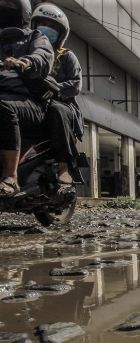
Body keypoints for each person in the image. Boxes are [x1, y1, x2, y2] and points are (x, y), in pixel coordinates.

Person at [0, 0, 54, 197]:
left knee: (3, 108)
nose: (4, 12)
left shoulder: (35, 37)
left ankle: (10, 177)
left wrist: (24, 62)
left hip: (31, 102)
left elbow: (43, 57)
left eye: (9, 8)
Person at [31, 2, 82, 185]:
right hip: (31, 102)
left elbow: (75, 85)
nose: (47, 30)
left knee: (56, 110)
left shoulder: (66, 56)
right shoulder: (26, 52)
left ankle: (63, 166)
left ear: (61, 34)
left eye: (52, 27)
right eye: (43, 24)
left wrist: (55, 88)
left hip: (61, 104)